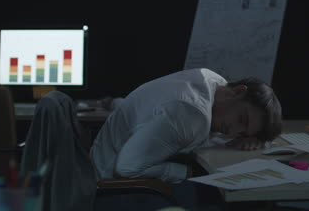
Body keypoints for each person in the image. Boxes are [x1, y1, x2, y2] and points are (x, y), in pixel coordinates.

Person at [90, 68, 283, 183]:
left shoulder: (209, 79)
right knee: (213, 198)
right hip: (107, 186)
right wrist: (186, 172)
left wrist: (256, 139)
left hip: (94, 166)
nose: (233, 132)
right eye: (242, 119)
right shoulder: (194, 115)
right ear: (239, 92)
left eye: (241, 133)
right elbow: (126, 169)